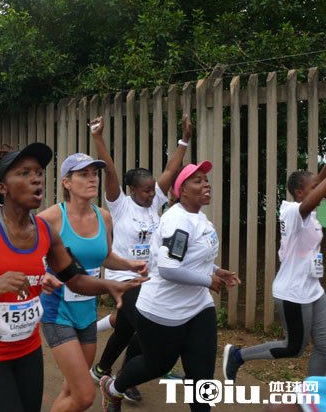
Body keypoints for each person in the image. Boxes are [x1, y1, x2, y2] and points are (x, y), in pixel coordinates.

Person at [0, 142, 146, 412]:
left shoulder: (45, 231)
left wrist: (110, 285)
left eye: (38, 172)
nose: (36, 178)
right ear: (3, 187)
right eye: (24, 173)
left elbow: (74, 280)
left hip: (28, 350)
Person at [99, 161, 240, 412]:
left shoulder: (200, 218)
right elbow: (168, 268)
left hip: (198, 306)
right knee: (157, 365)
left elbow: (194, 258)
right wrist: (208, 280)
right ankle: (114, 388)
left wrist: (217, 271)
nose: (206, 184)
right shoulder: (177, 221)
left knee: (202, 374)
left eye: (206, 180)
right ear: (181, 191)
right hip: (163, 309)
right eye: (197, 181)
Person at [90, 115, 192, 400]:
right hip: (123, 278)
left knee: (125, 329)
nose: (151, 194)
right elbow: (110, 171)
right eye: (146, 190)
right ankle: (127, 379)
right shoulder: (120, 205)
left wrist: (184, 139)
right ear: (132, 189)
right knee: (146, 327)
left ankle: (101, 369)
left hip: (149, 279)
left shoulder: (154, 201)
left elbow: (171, 169)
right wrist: (98, 136)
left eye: (152, 189)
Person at [38, 151, 148, 411]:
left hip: (87, 313)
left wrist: (129, 264)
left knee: (71, 389)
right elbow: (27, 256)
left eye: (94, 174)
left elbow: (105, 256)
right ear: (67, 182)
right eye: (84, 174)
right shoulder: (51, 218)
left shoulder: (104, 217)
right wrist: (42, 274)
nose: (92, 179)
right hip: (57, 312)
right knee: (85, 394)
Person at [223, 168, 326, 381]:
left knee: (324, 345)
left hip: (314, 290)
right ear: (299, 193)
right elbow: (315, 197)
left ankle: (313, 395)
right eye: (314, 188)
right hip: (293, 293)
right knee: (294, 348)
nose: (319, 191)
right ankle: (237, 355)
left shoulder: (312, 215)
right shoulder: (293, 212)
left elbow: (318, 182)